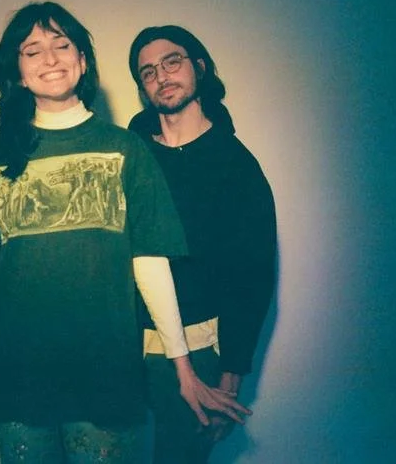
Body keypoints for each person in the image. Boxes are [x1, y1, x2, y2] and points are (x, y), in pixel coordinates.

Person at [0, 2, 250, 464]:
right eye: (32, 51)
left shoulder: (126, 149)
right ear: (18, 72)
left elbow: (151, 265)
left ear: (82, 61)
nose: (49, 59)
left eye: (61, 45)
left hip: (105, 378)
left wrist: (184, 371)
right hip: (16, 378)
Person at [127, 25, 277, 463]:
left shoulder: (237, 166)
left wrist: (231, 375)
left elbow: (252, 276)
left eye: (171, 61)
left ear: (200, 67)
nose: (161, 76)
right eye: (148, 71)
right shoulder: (129, 158)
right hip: (120, 345)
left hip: (197, 351)